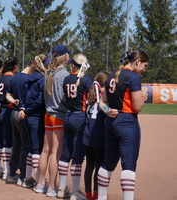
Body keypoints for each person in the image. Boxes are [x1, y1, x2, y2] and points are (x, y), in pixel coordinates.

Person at [98, 50, 149, 200]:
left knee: (107, 163)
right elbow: (138, 106)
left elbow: (102, 102)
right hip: (127, 123)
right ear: (137, 61)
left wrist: (108, 112)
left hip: (111, 122)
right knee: (128, 165)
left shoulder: (113, 75)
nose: (144, 69)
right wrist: (142, 100)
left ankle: (101, 197)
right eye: (144, 65)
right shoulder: (134, 77)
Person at [33, 44, 71, 197]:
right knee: (56, 152)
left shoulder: (48, 71)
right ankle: (51, 187)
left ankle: (40, 184)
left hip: (48, 114)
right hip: (58, 116)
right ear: (65, 57)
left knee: (45, 150)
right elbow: (64, 98)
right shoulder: (64, 74)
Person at [57, 54, 92, 200]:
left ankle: (62, 188)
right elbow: (93, 98)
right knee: (78, 156)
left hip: (68, 117)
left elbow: (64, 100)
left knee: (65, 154)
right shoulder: (86, 79)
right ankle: (75, 191)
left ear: (73, 65)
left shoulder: (67, 79)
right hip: (80, 117)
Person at [18, 54, 48, 188]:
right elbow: (40, 100)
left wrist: (24, 109)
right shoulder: (42, 79)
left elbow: (24, 98)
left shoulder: (29, 77)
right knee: (37, 149)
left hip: (28, 115)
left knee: (31, 148)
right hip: (36, 116)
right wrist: (28, 110)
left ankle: (27, 178)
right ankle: (37, 180)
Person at [83, 71, 110, 200]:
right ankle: (96, 194)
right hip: (99, 137)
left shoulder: (91, 97)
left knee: (89, 165)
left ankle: (88, 195)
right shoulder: (103, 99)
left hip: (88, 136)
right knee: (99, 166)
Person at [0, 56, 18, 180]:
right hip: (8, 110)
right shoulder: (13, 79)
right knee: (7, 142)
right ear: (15, 67)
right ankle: (7, 172)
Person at [5, 61, 30, 185]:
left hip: (13, 113)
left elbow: (7, 95)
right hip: (23, 114)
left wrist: (14, 101)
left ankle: (12, 173)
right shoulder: (29, 79)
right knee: (25, 145)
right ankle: (23, 176)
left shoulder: (15, 77)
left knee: (16, 145)